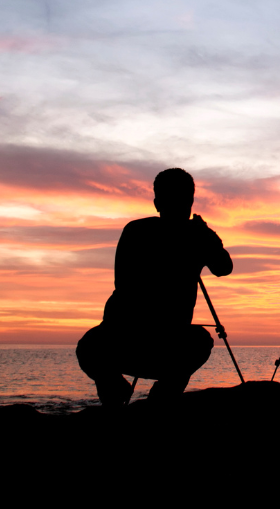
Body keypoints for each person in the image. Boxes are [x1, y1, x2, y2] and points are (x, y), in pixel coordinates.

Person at [76, 168, 233, 406]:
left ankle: (127, 397)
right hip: (159, 343)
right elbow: (224, 267)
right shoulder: (195, 236)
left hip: (126, 340)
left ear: (157, 202)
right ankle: (158, 398)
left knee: (88, 347)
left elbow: (223, 268)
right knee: (200, 341)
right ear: (190, 200)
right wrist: (207, 236)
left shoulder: (136, 230)